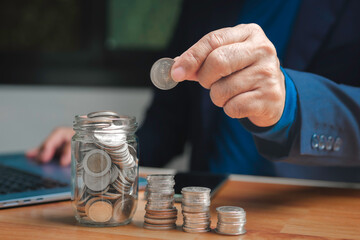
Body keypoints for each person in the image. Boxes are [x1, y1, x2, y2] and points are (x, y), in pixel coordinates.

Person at [27, 0, 360, 182]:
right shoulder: (204, 6)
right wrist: (112, 144)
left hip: (309, 211)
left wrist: (292, 104)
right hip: (204, 206)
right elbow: (166, 125)